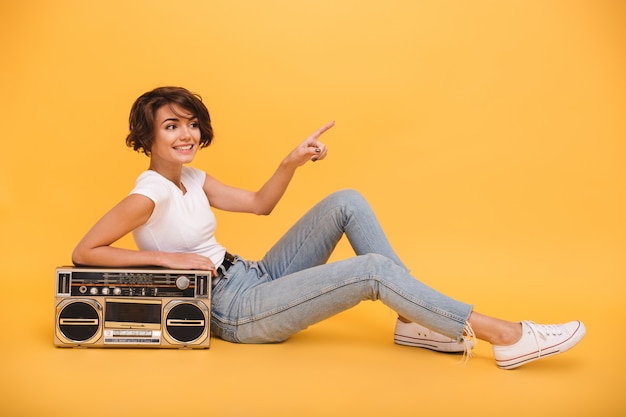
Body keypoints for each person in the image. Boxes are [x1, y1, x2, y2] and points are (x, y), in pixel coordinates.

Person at [72, 86, 585, 370]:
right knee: (371, 271)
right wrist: (171, 260)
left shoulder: (192, 177)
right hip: (232, 309)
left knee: (346, 201)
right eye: (171, 126)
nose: (187, 133)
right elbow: (86, 252)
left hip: (252, 276)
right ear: (148, 138)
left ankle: (414, 322)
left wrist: (290, 162)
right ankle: (504, 335)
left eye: (191, 123)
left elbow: (258, 204)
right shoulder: (150, 192)